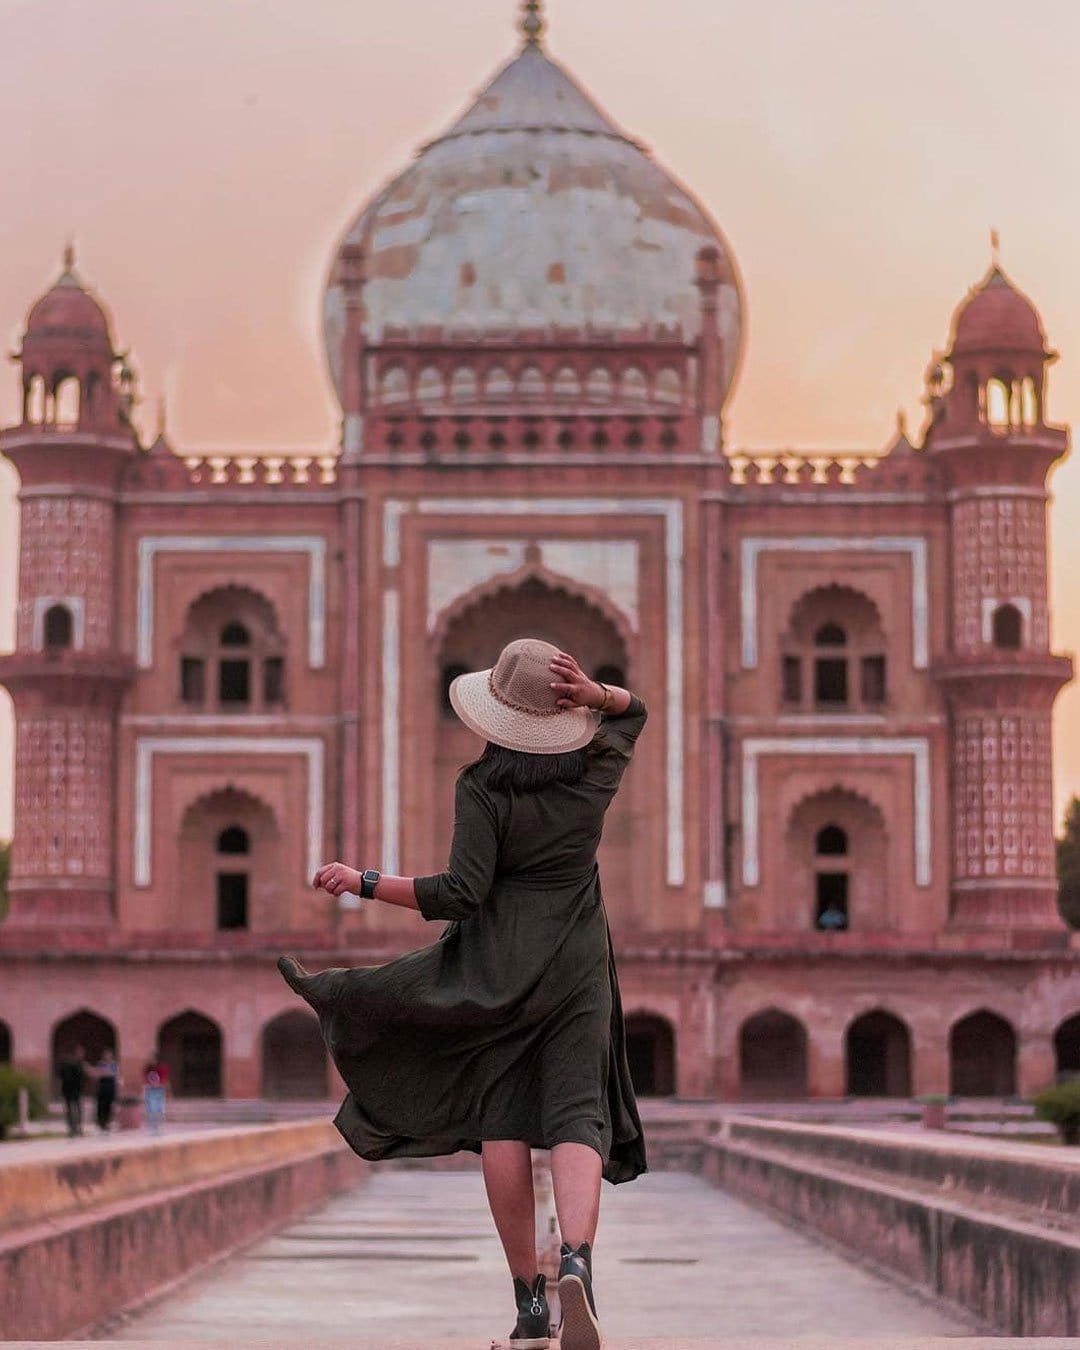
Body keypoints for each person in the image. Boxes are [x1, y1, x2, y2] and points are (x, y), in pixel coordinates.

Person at [280, 640, 647, 1350]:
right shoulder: (597, 770)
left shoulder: (482, 789)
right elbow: (636, 715)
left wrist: (362, 881)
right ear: (562, 712)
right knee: (577, 1114)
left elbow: (460, 895)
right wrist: (597, 695)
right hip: (577, 961)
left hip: (496, 966)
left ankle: (529, 1306)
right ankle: (576, 1259)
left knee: (502, 1119)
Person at [58, 1044, 86, 1137]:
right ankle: (74, 1129)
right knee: (72, 1110)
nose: (82, 1054)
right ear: (76, 1053)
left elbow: (60, 1075)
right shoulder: (75, 1064)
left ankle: (75, 1129)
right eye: (80, 1052)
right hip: (71, 1090)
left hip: (73, 1089)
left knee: (75, 1110)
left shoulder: (76, 1063)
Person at [142, 1051, 169, 1133]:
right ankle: (152, 1125)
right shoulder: (148, 1067)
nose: (151, 1060)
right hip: (150, 1090)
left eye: (153, 1058)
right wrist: (148, 1085)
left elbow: (164, 1078)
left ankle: (157, 1125)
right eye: (150, 1058)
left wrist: (161, 1085)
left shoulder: (162, 1067)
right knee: (150, 1108)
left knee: (158, 1108)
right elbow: (145, 1077)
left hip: (159, 1090)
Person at [94, 1048, 119, 1133]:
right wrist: (106, 1073)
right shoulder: (101, 1064)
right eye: (105, 1055)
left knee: (109, 1106)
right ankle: (101, 1123)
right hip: (102, 1087)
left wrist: (105, 1073)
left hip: (110, 1087)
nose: (107, 1056)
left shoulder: (114, 1064)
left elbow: (114, 1075)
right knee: (101, 1106)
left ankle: (107, 1123)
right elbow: (98, 1074)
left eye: (109, 1055)